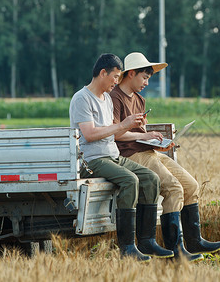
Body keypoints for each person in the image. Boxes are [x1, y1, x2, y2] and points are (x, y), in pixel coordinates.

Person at [110, 52, 220, 262]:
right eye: (144, 78)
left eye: (148, 79)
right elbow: (116, 133)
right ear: (131, 74)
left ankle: (194, 240)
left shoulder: (140, 100)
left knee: (191, 186)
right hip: (131, 155)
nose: (146, 83)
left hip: (148, 151)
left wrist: (156, 141)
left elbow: (139, 131)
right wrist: (144, 135)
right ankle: (176, 250)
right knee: (173, 187)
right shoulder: (114, 97)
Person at [69, 53, 173, 261]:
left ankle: (147, 241)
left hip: (113, 155)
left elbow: (113, 131)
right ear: (102, 73)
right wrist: (123, 124)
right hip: (93, 159)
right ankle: (127, 247)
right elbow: (89, 135)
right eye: (115, 77)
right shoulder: (82, 98)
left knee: (151, 179)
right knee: (130, 180)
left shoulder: (107, 98)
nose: (117, 81)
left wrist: (133, 127)